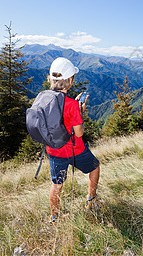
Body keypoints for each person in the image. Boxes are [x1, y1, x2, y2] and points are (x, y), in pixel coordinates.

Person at [46, 57, 100, 222]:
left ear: (51, 79)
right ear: (70, 80)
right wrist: (79, 113)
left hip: (53, 150)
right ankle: (91, 200)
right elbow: (79, 133)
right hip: (74, 150)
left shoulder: (45, 98)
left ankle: (54, 216)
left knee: (57, 184)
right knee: (95, 167)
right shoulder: (71, 105)